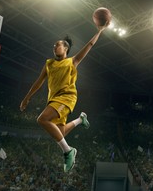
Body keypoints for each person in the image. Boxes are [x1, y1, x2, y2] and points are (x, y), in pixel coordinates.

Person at [20, 23, 108, 173]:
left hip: (67, 97)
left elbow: (90, 45)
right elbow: (38, 82)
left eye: (58, 45)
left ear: (65, 48)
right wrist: (27, 97)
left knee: (42, 119)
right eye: (54, 46)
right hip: (54, 99)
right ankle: (81, 119)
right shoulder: (49, 63)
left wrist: (100, 31)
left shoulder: (72, 61)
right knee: (61, 133)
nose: (54, 47)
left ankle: (68, 151)